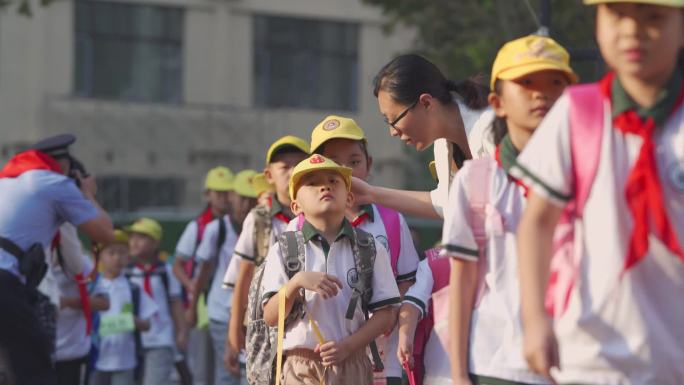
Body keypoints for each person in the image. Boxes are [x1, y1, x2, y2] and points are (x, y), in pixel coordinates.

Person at [512, 1, 684, 384]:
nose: (632, 30)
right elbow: (537, 223)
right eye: (617, 14)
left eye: (653, 17)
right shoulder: (578, 111)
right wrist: (535, 319)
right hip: (592, 353)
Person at [440, 35, 576, 385]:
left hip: (579, 363)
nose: (541, 93)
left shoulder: (590, 175)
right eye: (526, 82)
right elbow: (463, 282)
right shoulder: (476, 179)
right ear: (497, 102)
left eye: (555, 83)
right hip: (498, 367)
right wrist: (458, 374)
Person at [261, 154, 400, 385]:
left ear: (349, 198)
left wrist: (348, 347)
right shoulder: (283, 249)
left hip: (353, 361)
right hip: (300, 365)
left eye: (333, 181)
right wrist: (296, 282)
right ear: (296, 206)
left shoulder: (371, 247)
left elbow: (386, 315)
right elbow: (271, 317)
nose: (324, 186)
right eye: (312, 183)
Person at [306, 115, 420, 385]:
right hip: (319, 362)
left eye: (354, 162)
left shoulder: (391, 220)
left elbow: (407, 279)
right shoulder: (299, 226)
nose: (344, 171)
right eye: (333, 162)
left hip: (382, 360)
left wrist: (389, 314)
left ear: (369, 165)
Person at [0, 133, 114, 385]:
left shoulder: (8, 184)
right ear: (65, 167)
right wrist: (88, 195)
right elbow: (105, 235)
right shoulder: (53, 184)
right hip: (6, 286)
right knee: (35, 371)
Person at [352, 55, 493, 219]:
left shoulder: (491, 129)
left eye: (394, 119)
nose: (393, 132)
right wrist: (370, 193)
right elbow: (447, 204)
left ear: (426, 103)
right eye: (387, 121)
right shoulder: (443, 146)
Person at [225, 136, 309, 375]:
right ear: (269, 175)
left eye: (298, 164)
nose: (292, 171)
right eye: (284, 166)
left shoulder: (317, 214)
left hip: (305, 323)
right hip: (264, 324)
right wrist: (234, 331)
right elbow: (244, 276)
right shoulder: (259, 218)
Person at [173, 166, 235, 384]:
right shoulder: (197, 227)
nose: (223, 198)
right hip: (200, 304)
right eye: (218, 193)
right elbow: (178, 265)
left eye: (227, 193)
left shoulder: (239, 224)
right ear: (207, 195)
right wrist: (192, 287)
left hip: (226, 304)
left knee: (224, 365)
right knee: (201, 366)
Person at [45, 223, 110, 385]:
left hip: (73, 352)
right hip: (40, 354)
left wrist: (68, 302)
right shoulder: (34, 264)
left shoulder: (82, 265)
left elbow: (104, 303)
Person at [90, 230, 158, 385]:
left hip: (125, 360)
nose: (117, 258)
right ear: (100, 256)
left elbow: (147, 324)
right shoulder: (93, 287)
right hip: (96, 358)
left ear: (128, 257)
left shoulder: (133, 289)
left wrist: (135, 321)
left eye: (122, 253)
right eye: (111, 253)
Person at [125, 218, 187, 385]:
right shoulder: (126, 272)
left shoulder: (166, 271)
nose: (134, 242)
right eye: (132, 237)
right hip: (130, 339)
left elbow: (175, 303)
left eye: (142, 237)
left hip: (160, 337)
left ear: (155, 243)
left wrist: (181, 332)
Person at [185, 206, 241, 384]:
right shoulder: (216, 228)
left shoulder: (264, 225)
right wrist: (192, 307)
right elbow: (203, 271)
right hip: (221, 311)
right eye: (241, 199)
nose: (245, 205)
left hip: (249, 314)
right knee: (226, 370)